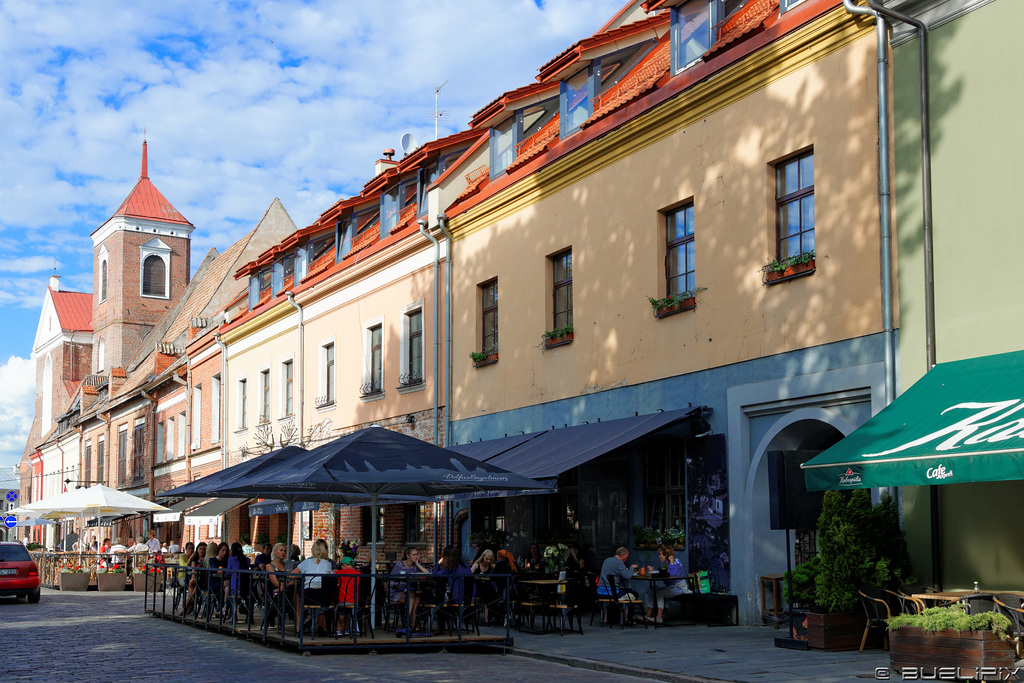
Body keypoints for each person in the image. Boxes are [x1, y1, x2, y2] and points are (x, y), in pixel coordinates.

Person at [292, 539, 334, 635]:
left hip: (309, 596)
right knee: (324, 600)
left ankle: (300, 626)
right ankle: (322, 627)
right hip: (323, 597)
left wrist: (303, 575)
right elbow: (331, 577)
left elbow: (291, 574)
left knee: (299, 597)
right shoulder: (328, 564)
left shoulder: (306, 562)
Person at [644, 544, 690, 623]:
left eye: (661, 554)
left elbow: (672, 574)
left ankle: (659, 617)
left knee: (660, 593)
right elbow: (664, 573)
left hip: (679, 589)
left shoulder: (676, 563)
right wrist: (653, 570)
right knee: (652, 590)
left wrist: (672, 562)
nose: (659, 556)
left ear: (666, 556)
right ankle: (648, 614)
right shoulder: (665, 564)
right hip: (671, 588)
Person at [389, 546, 429, 633]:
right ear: (408, 556)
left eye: (417, 554)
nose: (416, 556)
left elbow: (427, 573)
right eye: (414, 555)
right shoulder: (399, 565)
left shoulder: (415, 566)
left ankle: (413, 624)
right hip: (398, 591)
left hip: (411, 591)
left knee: (417, 597)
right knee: (412, 595)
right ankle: (408, 621)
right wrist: (399, 585)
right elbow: (391, 582)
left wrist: (417, 563)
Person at [597, 546, 640, 621]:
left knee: (627, 592)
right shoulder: (619, 563)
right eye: (626, 557)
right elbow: (627, 576)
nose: (626, 559)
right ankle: (625, 619)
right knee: (634, 594)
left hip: (600, 592)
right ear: (622, 555)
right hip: (612, 594)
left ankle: (606, 618)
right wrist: (632, 568)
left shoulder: (606, 560)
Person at [334, 556, 362, 636]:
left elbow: (330, 572)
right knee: (349, 611)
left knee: (333, 609)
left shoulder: (341, 572)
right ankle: (346, 629)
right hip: (356, 601)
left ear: (344, 565)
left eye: (341, 566)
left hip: (343, 601)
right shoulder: (358, 574)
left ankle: (339, 629)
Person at [226, 541, 252, 615]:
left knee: (230, 596)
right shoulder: (247, 559)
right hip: (246, 587)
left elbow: (228, 572)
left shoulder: (231, 559)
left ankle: (232, 615)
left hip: (235, 586)